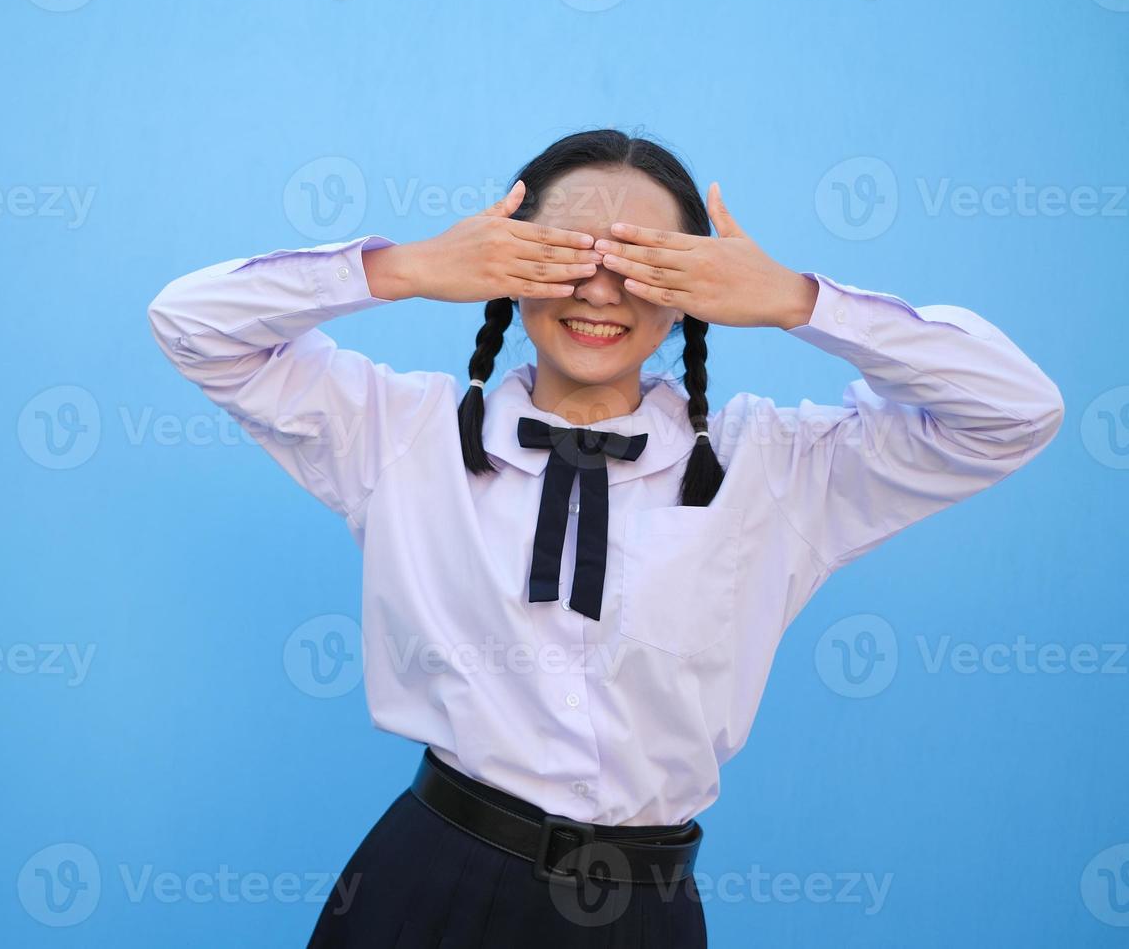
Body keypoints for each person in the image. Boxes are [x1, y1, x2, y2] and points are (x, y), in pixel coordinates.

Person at [147, 130, 1065, 947]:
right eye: (565, 254)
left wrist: (798, 299)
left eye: (641, 261)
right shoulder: (399, 435)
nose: (599, 290)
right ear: (510, 266)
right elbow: (192, 325)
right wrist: (406, 268)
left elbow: (1013, 414)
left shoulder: (780, 469)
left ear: (691, 291)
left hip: (642, 911)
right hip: (425, 881)